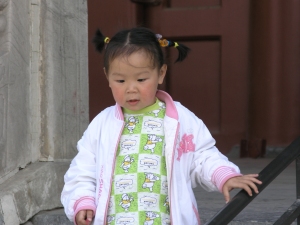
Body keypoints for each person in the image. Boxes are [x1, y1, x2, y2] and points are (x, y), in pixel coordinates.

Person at [61, 27, 262, 225]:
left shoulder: (179, 118)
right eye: (120, 80)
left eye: (141, 79)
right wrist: (83, 201)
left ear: (161, 73)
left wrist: (224, 176)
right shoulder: (101, 124)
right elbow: (82, 170)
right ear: (107, 77)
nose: (131, 88)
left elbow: (202, 155)